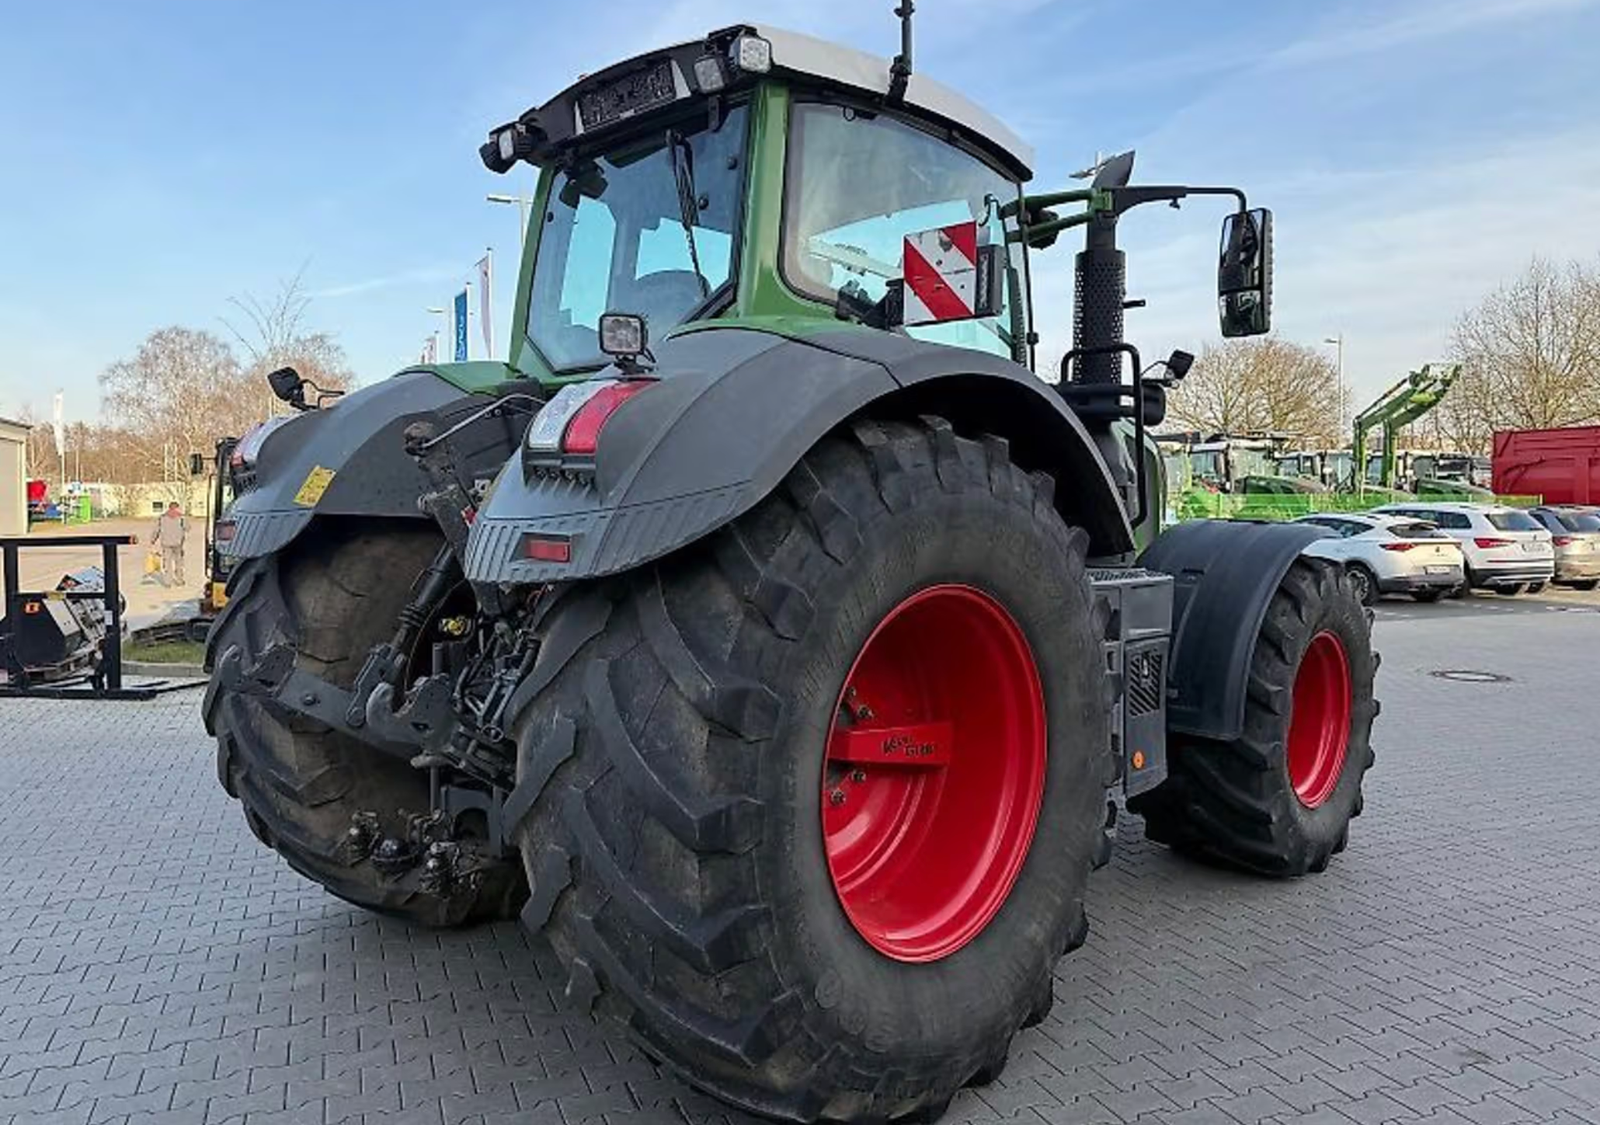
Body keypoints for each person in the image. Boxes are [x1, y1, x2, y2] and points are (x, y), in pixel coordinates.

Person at [150, 501, 188, 587]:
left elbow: (156, 530)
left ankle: (168, 582)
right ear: (177, 507)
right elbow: (187, 528)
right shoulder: (181, 517)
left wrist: (153, 539)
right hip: (178, 543)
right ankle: (179, 580)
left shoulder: (162, 517)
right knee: (179, 562)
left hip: (166, 543)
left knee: (167, 563)